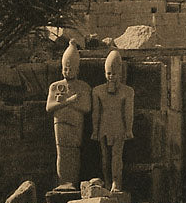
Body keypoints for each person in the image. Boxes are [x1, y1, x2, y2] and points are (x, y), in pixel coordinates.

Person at [46, 39, 92, 189]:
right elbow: (49, 107)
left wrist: (67, 102)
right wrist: (69, 101)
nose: (67, 72)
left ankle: (71, 182)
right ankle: (63, 182)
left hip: (76, 123)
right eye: (65, 69)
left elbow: (86, 108)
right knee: (62, 152)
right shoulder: (55, 86)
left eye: (71, 69)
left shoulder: (84, 87)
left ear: (77, 70)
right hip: (60, 123)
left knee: (74, 152)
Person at [91, 50, 134, 192]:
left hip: (119, 126)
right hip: (103, 127)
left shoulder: (127, 91)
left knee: (116, 156)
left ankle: (116, 182)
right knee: (105, 157)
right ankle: (108, 182)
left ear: (120, 73)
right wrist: (95, 130)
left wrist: (128, 129)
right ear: (105, 73)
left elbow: (128, 112)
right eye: (108, 74)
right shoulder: (97, 91)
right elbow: (96, 112)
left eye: (114, 74)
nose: (111, 77)